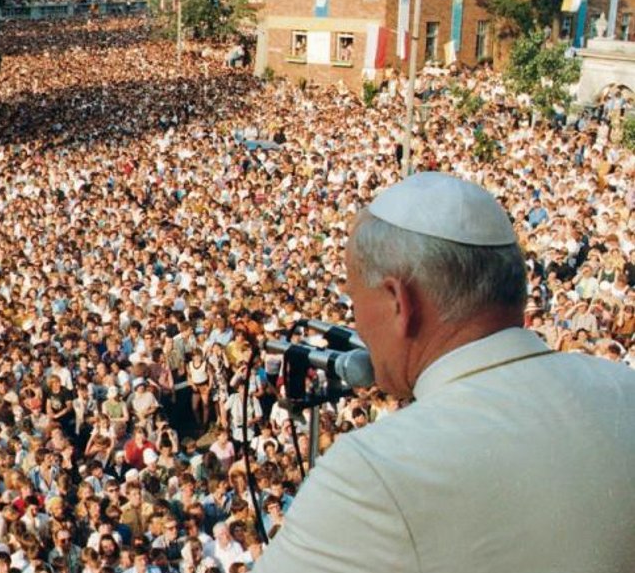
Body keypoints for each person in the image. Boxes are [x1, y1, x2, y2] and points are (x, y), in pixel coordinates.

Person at [254, 173, 635, 572]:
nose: (357, 325)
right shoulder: (624, 390)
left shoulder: (371, 472)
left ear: (399, 301)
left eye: (354, 299)